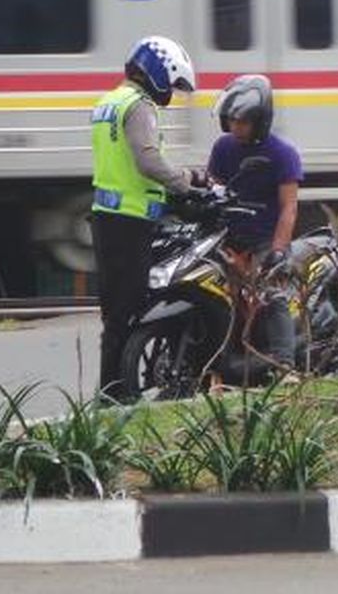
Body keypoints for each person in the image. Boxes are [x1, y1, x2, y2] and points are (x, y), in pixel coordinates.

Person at [90, 35, 202, 401]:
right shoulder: (139, 106)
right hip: (130, 220)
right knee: (129, 308)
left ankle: (112, 389)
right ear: (158, 72)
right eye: (172, 83)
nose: (171, 92)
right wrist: (186, 183)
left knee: (116, 310)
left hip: (108, 216)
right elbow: (147, 160)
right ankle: (114, 395)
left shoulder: (109, 101)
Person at [207, 74, 304, 374]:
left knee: (273, 294)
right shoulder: (223, 148)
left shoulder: (282, 154)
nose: (236, 127)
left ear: (260, 121)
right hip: (229, 238)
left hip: (264, 239)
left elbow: (289, 208)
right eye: (232, 121)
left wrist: (277, 250)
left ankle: (285, 364)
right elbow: (214, 187)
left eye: (243, 122)